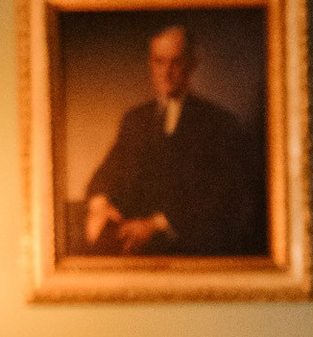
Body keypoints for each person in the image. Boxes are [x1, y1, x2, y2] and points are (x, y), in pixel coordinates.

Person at [83, 22, 264, 258]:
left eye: (175, 62)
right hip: (134, 246)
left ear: (191, 65)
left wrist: (157, 224)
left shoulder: (219, 123)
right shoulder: (136, 119)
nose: (166, 72)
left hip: (190, 248)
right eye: (159, 61)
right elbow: (108, 172)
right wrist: (99, 205)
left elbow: (225, 199)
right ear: (150, 64)